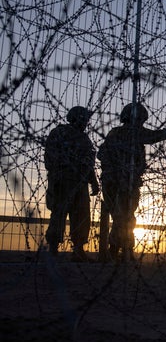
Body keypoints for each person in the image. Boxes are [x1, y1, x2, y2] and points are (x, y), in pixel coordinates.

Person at [98, 103, 166, 262]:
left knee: (124, 216)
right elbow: (103, 155)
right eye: (140, 120)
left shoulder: (119, 133)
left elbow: (160, 135)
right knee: (123, 216)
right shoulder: (127, 133)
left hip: (121, 182)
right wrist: (121, 171)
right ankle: (118, 250)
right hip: (119, 182)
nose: (141, 123)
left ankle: (121, 250)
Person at [44, 106, 99, 261]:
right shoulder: (60, 133)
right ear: (76, 118)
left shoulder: (84, 138)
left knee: (81, 216)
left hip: (80, 183)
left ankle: (78, 249)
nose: (86, 122)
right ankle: (53, 248)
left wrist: (93, 181)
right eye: (84, 119)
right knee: (59, 214)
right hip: (63, 180)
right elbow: (50, 157)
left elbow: (88, 163)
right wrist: (62, 171)